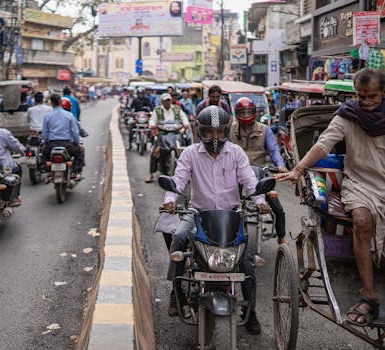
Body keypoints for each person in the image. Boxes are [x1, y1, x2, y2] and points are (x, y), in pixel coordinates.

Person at [276, 68, 385, 327]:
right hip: (360, 185)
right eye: (362, 97)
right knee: (362, 220)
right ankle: (368, 296)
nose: (367, 102)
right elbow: (323, 145)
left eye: (373, 97)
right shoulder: (348, 116)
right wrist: (299, 168)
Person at [164, 105, 270, 334]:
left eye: (220, 132)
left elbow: (250, 181)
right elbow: (178, 179)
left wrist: (261, 201)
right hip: (198, 214)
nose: (215, 137)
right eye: (209, 132)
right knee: (179, 239)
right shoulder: (190, 153)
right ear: (200, 132)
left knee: (246, 262)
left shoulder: (236, 153)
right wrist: (170, 198)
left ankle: (250, 312)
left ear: (226, 131)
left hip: (231, 216)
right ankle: (177, 293)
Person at [229, 97, 288, 244]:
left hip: (259, 174)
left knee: (278, 209)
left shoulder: (264, 130)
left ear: (254, 112)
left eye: (248, 111)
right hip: (234, 174)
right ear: (237, 113)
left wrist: (280, 165)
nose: (245, 114)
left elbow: (274, 150)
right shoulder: (230, 129)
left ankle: (282, 238)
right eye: (242, 112)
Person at [145, 93, 190, 183]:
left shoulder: (177, 108)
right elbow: (152, 119)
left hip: (176, 133)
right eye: (165, 101)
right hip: (162, 134)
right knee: (155, 151)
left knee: (186, 150)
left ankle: (188, 174)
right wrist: (152, 124)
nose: (167, 102)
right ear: (162, 101)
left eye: (168, 100)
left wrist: (186, 123)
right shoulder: (157, 110)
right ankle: (151, 173)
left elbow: (184, 117)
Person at [42, 94, 84, 180]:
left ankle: (49, 171)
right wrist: (79, 143)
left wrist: (44, 143)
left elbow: (45, 133)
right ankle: (75, 172)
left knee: (44, 153)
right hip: (67, 145)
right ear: (60, 102)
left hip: (52, 145)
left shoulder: (47, 116)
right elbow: (74, 132)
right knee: (80, 152)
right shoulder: (69, 115)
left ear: (51, 103)